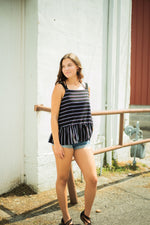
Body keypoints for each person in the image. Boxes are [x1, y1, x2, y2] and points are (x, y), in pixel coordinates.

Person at [48, 53, 97, 225]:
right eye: (63, 66)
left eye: (69, 65)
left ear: (77, 66)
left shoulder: (86, 86)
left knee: (92, 179)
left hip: (82, 139)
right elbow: (54, 117)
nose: (66, 69)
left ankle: (86, 214)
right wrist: (57, 144)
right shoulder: (60, 87)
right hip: (64, 139)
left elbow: (83, 113)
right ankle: (66, 218)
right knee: (62, 179)